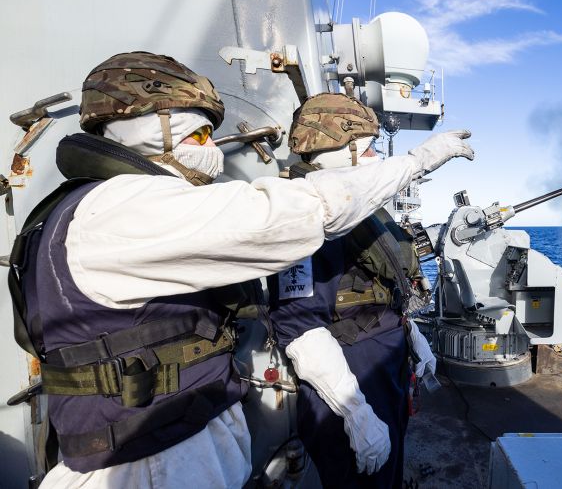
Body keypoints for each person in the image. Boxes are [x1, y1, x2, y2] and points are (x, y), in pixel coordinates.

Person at [8, 52, 472, 488]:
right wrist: (415, 162)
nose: (211, 150)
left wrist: (410, 339)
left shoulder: (100, 206)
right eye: (201, 135)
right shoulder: (116, 211)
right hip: (145, 463)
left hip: (168, 447)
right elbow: (304, 250)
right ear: (152, 130)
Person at [269, 93, 468, 488]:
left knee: (388, 473)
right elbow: (300, 328)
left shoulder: (360, 208)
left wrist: (411, 337)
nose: (378, 155)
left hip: (383, 362)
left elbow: (377, 287)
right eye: (371, 145)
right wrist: (354, 414)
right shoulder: (310, 216)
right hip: (352, 373)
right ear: (341, 147)